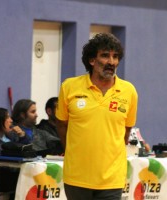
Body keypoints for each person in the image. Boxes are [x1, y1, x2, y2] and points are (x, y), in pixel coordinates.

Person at [56, 33, 138, 200]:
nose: (111, 62)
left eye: (115, 57)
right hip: (77, 177)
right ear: (92, 60)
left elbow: (125, 132)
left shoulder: (129, 91)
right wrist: (76, 151)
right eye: (105, 55)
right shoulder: (69, 87)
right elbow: (62, 125)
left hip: (112, 179)